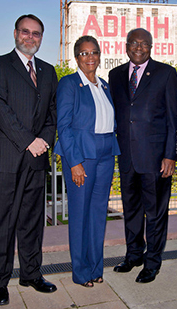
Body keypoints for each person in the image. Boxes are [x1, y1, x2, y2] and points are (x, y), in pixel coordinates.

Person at [0, 14, 58, 306]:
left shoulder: (49, 72)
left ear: (41, 37)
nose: (31, 38)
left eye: (36, 34)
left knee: (32, 221)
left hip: (36, 159)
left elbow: (52, 114)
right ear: (16, 33)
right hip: (6, 158)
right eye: (25, 32)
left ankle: (31, 274)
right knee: (2, 224)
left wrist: (44, 142)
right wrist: (29, 140)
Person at [109, 28, 177, 283]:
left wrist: (171, 155)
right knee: (131, 210)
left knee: (156, 212)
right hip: (126, 156)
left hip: (156, 159)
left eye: (145, 44)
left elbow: (174, 119)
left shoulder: (166, 74)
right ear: (126, 45)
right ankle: (134, 255)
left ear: (152, 47)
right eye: (134, 43)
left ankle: (152, 262)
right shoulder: (115, 75)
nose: (139, 48)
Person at [54, 35, 120, 287]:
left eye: (94, 52)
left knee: (97, 215)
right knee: (80, 215)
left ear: (100, 55)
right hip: (82, 157)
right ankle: (81, 272)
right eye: (84, 53)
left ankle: (95, 267)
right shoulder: (69, 84)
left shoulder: (103, 85)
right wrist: (74, 162)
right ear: (76, 57)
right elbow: (64, 125)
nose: (90, 57)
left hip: (105, 155)